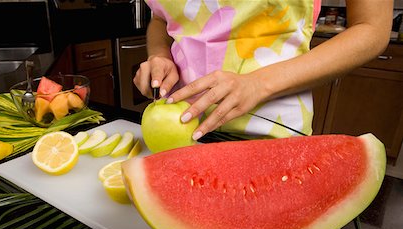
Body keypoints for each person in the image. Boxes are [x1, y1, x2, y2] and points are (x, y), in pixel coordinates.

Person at [133, 0, 393, 141]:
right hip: (178, 130)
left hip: (271, 131)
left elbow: (372, 27)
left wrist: (258, 83)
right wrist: (159, 54)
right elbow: (161, 19)